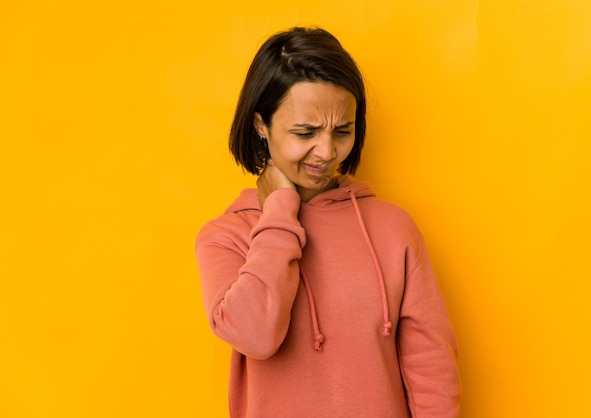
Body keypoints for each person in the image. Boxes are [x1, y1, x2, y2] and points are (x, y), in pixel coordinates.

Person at [195, 26, 461, 418]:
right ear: (260, 125)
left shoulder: (392, 229)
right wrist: (280, 212)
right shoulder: (227, 236)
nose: (327, 151)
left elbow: (431, 367)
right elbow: (255, 335)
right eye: (305, 132)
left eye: (343, 131)